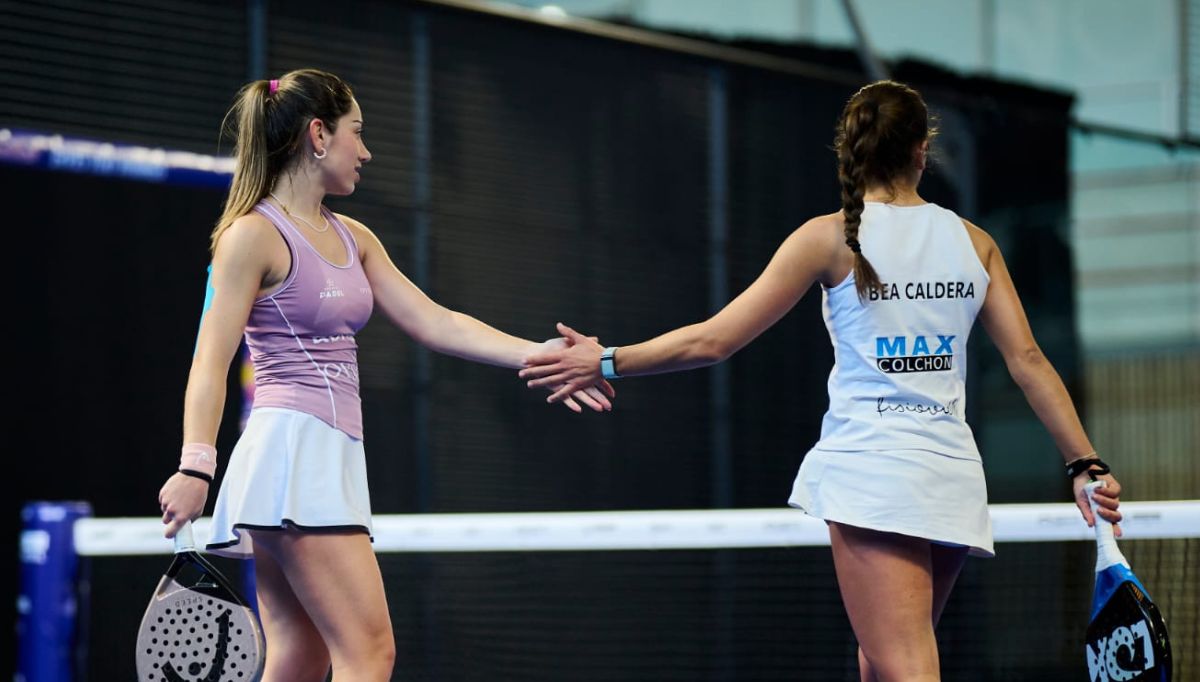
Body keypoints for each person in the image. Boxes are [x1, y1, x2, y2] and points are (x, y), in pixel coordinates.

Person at [519, 80, 1123, 682]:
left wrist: (605, 359)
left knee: (906, 666)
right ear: (921, 150)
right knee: (882, 664)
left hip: (874, 473)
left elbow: (713, 341)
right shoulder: (975, 243)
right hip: (950, 477)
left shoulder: (827, 238)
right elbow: (1029, 362)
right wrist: (1084, 464)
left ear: (851, 150)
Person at [156, 68, 614, 682]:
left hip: (318, 457)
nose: (366, 151)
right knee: (369, 655)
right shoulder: (250, 236)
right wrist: (195, 466)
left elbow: (441, 323)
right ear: (318, 135)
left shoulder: (355, 237)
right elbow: (210, 359)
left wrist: (542, 353)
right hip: (292, 455)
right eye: (357, 133)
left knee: (301, 655)